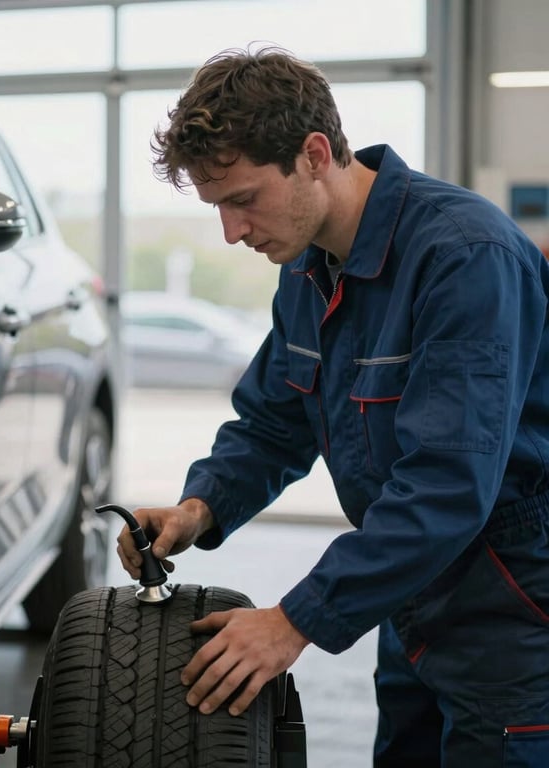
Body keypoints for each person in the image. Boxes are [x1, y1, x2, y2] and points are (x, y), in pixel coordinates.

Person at [116, 44, 549, 767]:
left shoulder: (464, 257)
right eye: (216, 206)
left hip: (512, 604)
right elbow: (274, 421)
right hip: (407, 594)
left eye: (242, 198)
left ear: (314, 154)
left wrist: (294, 622)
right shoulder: (309, 269)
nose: (230, 231)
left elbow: (448, 485)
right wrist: (199, 508)